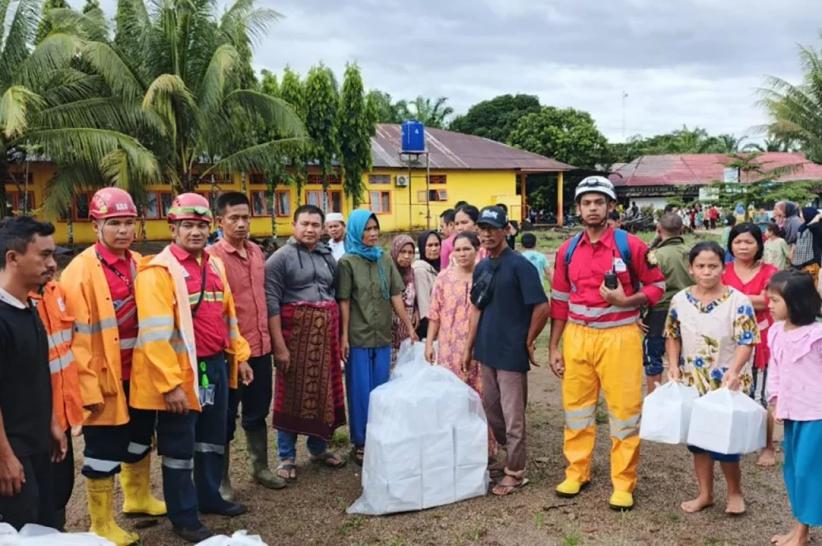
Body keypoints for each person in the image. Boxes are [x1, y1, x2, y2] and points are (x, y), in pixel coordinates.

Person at [130, 193, 253, 543]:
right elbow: (155, 337)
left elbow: (228, 316)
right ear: (173, 228)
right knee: (179, 446)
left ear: (209, 226)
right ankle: (183, 516)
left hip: (215, 364)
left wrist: (239, 356)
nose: (196, 232)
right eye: (188, 226)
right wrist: (170, 385)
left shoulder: (213, 265)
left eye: (201, 225)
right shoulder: (158, 272)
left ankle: (209, 496)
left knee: (212, 439)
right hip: (182, 370)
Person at [549, 176, 665, 511]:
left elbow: (657, 286)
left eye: (599, 202)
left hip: (620, 338)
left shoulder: (631, 246)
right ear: (578, 209)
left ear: (610, 206)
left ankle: (624, 482)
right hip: (577, 337)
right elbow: (559, 300)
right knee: (577, 410)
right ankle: (577, 471)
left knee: (625, 412)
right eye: (587, 203)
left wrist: (628, 301)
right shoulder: (567, 250)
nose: (593, 208)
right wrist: (554, 346)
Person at [60, 188, 165, 546]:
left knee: (140, 439)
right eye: (114, 223)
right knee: (102, 449)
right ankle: (101, 522)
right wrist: (87, 390)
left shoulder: (140, 263)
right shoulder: (79, 272)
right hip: (104, 379)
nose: (123, 230)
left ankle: (136, 498)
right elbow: (77, 339)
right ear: (95, 225)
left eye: (128, 222)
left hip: (139, 375)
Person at [462, 206, 550, 496]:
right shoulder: (482, 267)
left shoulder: (520, 265)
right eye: (482, 229)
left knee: (513, 415)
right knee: (491, 409)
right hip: (486, 349)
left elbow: (542, 306)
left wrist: (528, 339)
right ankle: (507, 455)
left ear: (505, 230)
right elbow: (477, 308)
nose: (486, 234)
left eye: (492, 228)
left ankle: (516, 471)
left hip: (511, 351)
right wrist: (468, 346)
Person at [665, 241, 758, 516]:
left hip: (727, 382)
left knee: (726, 443)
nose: (707, 272)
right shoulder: (680, 300)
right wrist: (673, 365)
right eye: (701, 266)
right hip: (693, 382)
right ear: (691, 269)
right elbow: (672, 335)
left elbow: (747, 340)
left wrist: (735, 369)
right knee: (698, 443)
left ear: (723, 267)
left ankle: (735, 492)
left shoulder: (738, 301)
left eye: (713, 266)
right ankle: (705, 494)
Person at [208, 192, 285, 495]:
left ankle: (260, 467)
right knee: (225, 416)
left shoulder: (256, 252)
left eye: (245, 218)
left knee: (257, 411)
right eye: (233, 219)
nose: (241, 224)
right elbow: (216, 312)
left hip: (261, 348)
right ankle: (221, 479)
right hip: (229, 353)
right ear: (220, 221)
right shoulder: (213, 257)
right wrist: (236, 356)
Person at [265, 204, 346, 482]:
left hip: (324, 339)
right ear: (293, 225)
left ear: (322, 228)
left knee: (321, 392)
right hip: (294, 337)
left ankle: (318, 447)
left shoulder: (327, 257)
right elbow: (271, 303)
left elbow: (333, 292)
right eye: (305, 224)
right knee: (291, 394)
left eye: (315, 224)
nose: (310, 229)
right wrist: (280, 346)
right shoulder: (279, 259)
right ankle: (286, 456)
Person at [337, 210, 417, 465]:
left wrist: (409, 327)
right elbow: (345, 301)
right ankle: (360, 442)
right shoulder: (347, 262)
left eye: (375, 228)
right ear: (356, 231)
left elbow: (395, 295)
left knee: (382, 389)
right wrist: (344, 336)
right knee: (360, 391)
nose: (372, 233)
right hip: (358, 337)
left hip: (382, 335)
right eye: (366, 229)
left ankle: (381, 435)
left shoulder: (384, 259)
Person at [0, 217, 61, 530]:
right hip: (13, 452)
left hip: (38, 444)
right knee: (20, 528)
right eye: (44, 255)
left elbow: (34, 373)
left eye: (53, 255)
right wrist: (5, 457)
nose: (52, 264)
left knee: (48, 524)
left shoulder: (28, 307)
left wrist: (51, 421)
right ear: (13, 258)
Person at [765, 270, 822, 546]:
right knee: (793, 470)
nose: (770, 305)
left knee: (807, 472)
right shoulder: (776, 332)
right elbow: (774, 369)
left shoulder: (817, 335)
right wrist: (775, 399)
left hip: (816, 414)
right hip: (792, 412)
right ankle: (799, 526)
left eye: (775, 300)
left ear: (796, 301)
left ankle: (801, 531)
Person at [722, 223, 779, 467]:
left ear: (759, 245)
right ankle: (736, 438)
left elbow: (768, 301)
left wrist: (731, 297)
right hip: (727, 339)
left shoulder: (770, 271)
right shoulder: (722, 269)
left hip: (761, 340)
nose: (743, 246)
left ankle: (767, 447)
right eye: (738, 242)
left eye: (749, 242)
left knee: (763, 395)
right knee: (731, 389)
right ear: (730, 245)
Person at [31, 273, 84, 531]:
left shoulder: (56, 291)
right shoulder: (15, 303)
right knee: (34, 496)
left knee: (60, 486)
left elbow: (69, 346)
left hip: (61, 413)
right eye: (43, 255)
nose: (52, 264)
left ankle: (57, 531)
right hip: (33, 418)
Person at [642, 213, 692, 393]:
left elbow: (645, 286)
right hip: (689, 310)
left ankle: (654, 397)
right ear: (682, 229)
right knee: (684, 356)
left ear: (658, 230)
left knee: (653, 356)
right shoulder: (692, 253)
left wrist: (640, 314)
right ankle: (684, 396)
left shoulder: (655, 255)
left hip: (659, 310)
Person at [390, 235, 418, 364]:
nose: (407, 256)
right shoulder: (388, 271)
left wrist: (416, 309)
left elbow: (412, 294)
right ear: (395, 251)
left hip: (407, 330)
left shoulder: (411, 272)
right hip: (391, 329)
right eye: (403, 252)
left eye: (410, 252)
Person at [412, 230, 441, 340]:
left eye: (437, 245)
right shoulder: (420, 270)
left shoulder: (435, 269)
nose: (434, 249)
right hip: (427, 330)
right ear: (422, 247)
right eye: (429, 245)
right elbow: (425, 309)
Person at [441, 204, 479, 268]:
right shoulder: (453, 256)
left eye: (464, 223)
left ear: (476, 224)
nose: (459, 228)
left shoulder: (486, 250)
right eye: (457, 224)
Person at [790, 207, 822, 284]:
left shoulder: (818, 226)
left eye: (802, 214)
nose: (800, 216)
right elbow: (797, 239)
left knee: (809, 286)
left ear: (809, 215)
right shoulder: (802, 227)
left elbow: (811, 226)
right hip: (798, 262)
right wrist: (792, 250)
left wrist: (817, 217)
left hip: (811, 262)